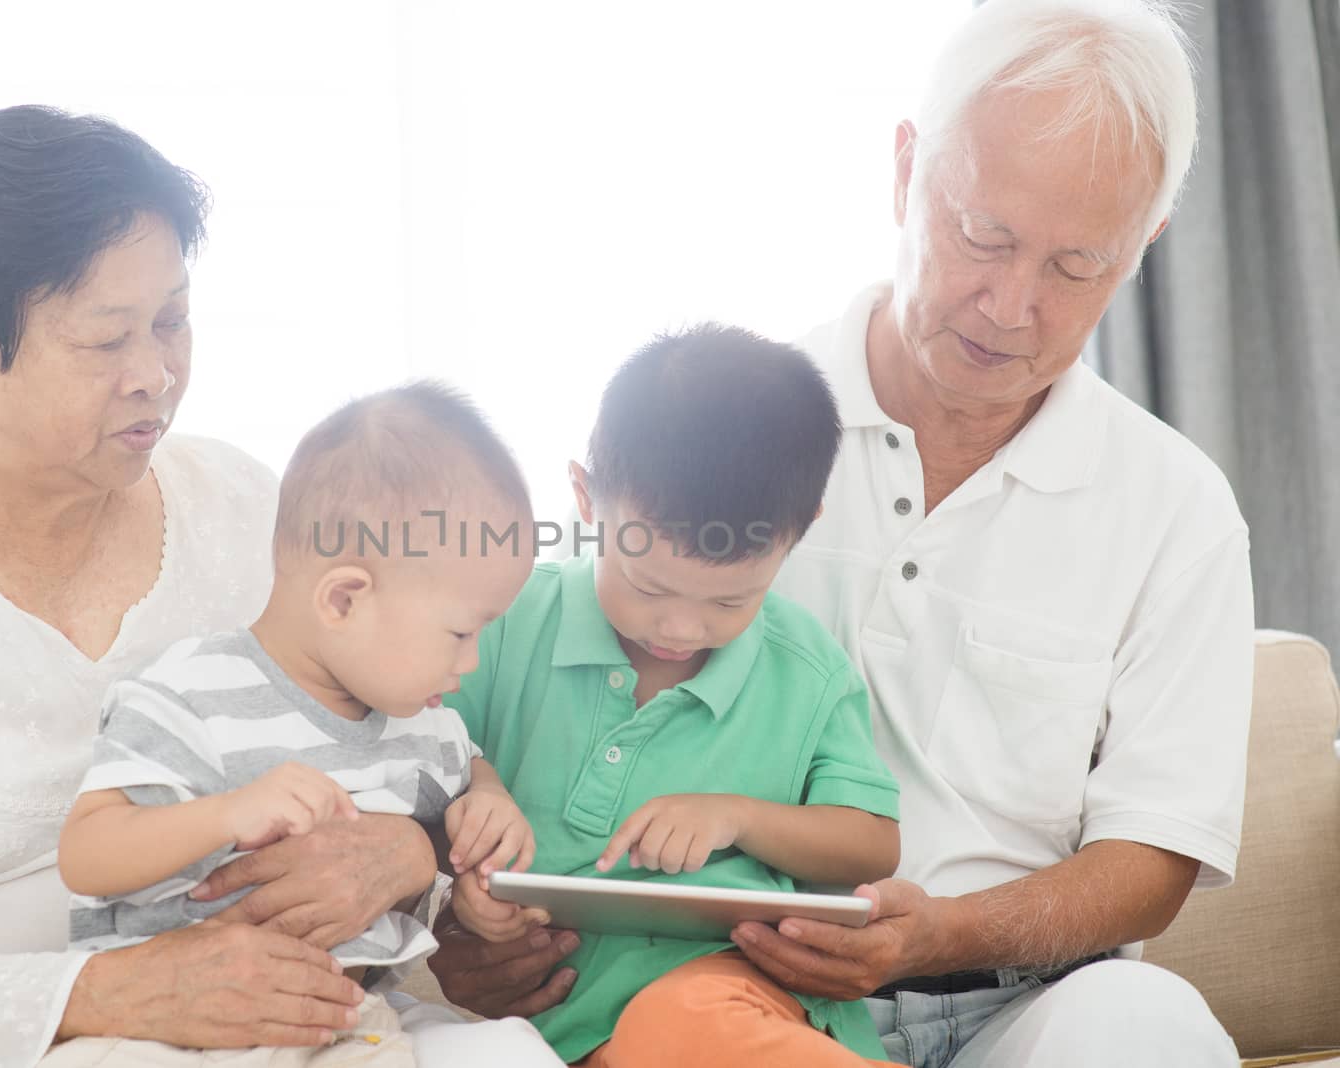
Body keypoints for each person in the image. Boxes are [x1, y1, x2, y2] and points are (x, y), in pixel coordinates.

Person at [430, 3, 1252, 1066]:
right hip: (714, 992)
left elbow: (1154, 858)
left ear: (1143, 244)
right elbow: (500, 716)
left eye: (1074, 267)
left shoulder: (1174, 511)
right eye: (984, 236)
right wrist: (468, 928)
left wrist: (941, 935)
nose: (1009, 306)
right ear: (905, 172)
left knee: (1153, 1029)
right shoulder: (728, 433)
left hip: (1023, 1010)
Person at [0, 106, 434, 1068]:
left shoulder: (242, 504)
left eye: (173, 321)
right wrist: (108, 996)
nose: (156, 373)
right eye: (106, 340)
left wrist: (409, 854)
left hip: (317, 1017)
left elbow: (405, 741)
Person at [50, 383, 559, 1065]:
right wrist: (227, 814)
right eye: (462, 633)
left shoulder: (422, 723)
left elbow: (468, 770)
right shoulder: (195, 690)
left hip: (348, 1019)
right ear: (345, 598)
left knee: (511, 1053)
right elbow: (87, 853)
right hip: (174, 1024)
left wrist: (489, 811)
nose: (470, 662)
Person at [444, 325, 903, 1067]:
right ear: (586, 499)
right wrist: (478, 800)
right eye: (648, 586)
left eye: (730, 602)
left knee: (683, 1020)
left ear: (797, 536)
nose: (682, 629)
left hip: (737, 995)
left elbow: (873, 844)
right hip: (567, 1030)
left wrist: (738, 819)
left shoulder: (805, 667)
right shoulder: (504, 619)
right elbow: (415, 754)